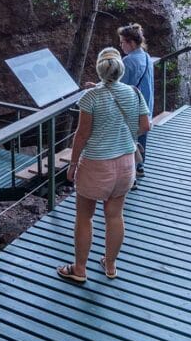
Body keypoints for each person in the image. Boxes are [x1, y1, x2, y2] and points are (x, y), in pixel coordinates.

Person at [57, 48, 150, 283]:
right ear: (121, 69)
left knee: (84, 217)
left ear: (99, 70)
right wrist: (122, 137)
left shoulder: (90, 97)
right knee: (115, 216)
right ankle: (110, 265)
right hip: (126, 163)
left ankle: (79, 269)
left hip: (96, 164)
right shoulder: (134, 93)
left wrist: (73, 163)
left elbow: (81, 135)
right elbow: (146, 126)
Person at [117, 23, 153, 180]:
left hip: (131, 109)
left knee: (128, 141)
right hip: (146, 106)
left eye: (122, 42)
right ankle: (140, 167)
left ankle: (130, 177)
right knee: (141, 138)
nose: (121, 45)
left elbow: (118, 86)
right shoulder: (146, 56)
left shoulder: (128, 61)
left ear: (131, 42)